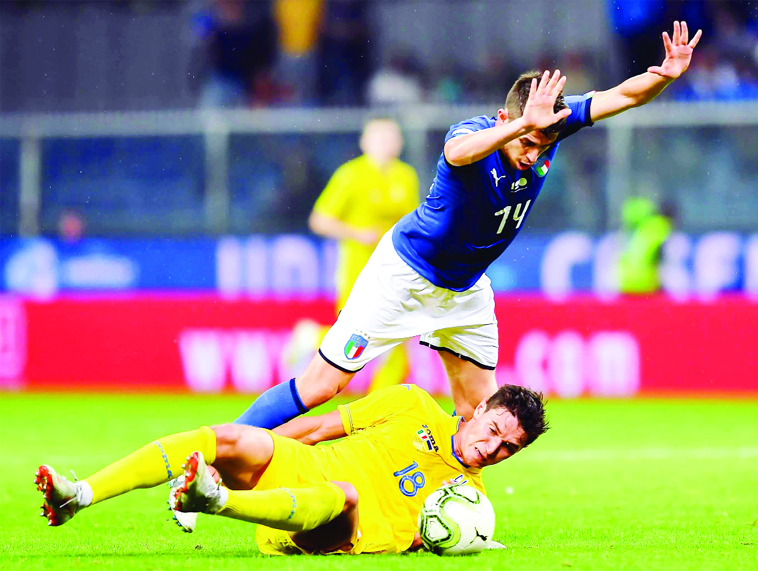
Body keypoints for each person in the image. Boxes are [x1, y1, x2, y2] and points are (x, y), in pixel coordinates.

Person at [234, 22, 703, 429]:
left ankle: (457, 508)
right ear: (507, 120)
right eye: (528, 139)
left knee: (482, 413)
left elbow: (622, 95)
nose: (534, 152)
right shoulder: (472, 132)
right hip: (405, 276)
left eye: (545, 142)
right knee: (321, 386)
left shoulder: (552, 125)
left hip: (465, 290)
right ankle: (214, 452)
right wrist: (521, 128)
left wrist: (661, 77)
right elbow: (457, 154)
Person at [36, 384, 547, 555]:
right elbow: (320, 428)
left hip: (336, 527)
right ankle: (80, 493)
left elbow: (448, 540)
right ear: (479, 409)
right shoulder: (412, 403)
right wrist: (253, 452)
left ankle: (215, 501)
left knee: (344, 491)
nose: (493, 447)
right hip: (300, 469)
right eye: (496, 428)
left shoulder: (470, 504)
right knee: (232, 436)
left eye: (509, 449)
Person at [307, 117, 420, 393]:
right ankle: (312, 338)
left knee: (400, 334)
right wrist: (358, 233)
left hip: (396, 269)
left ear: (400, 143)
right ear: (365, 142)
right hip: (358, 268)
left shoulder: (406, 176)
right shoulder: (350, 175)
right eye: (380, 138)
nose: (387, 144)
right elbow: (319, 220)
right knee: (354, 336)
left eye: (392, 137)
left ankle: (381, 403)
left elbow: (415, 220)